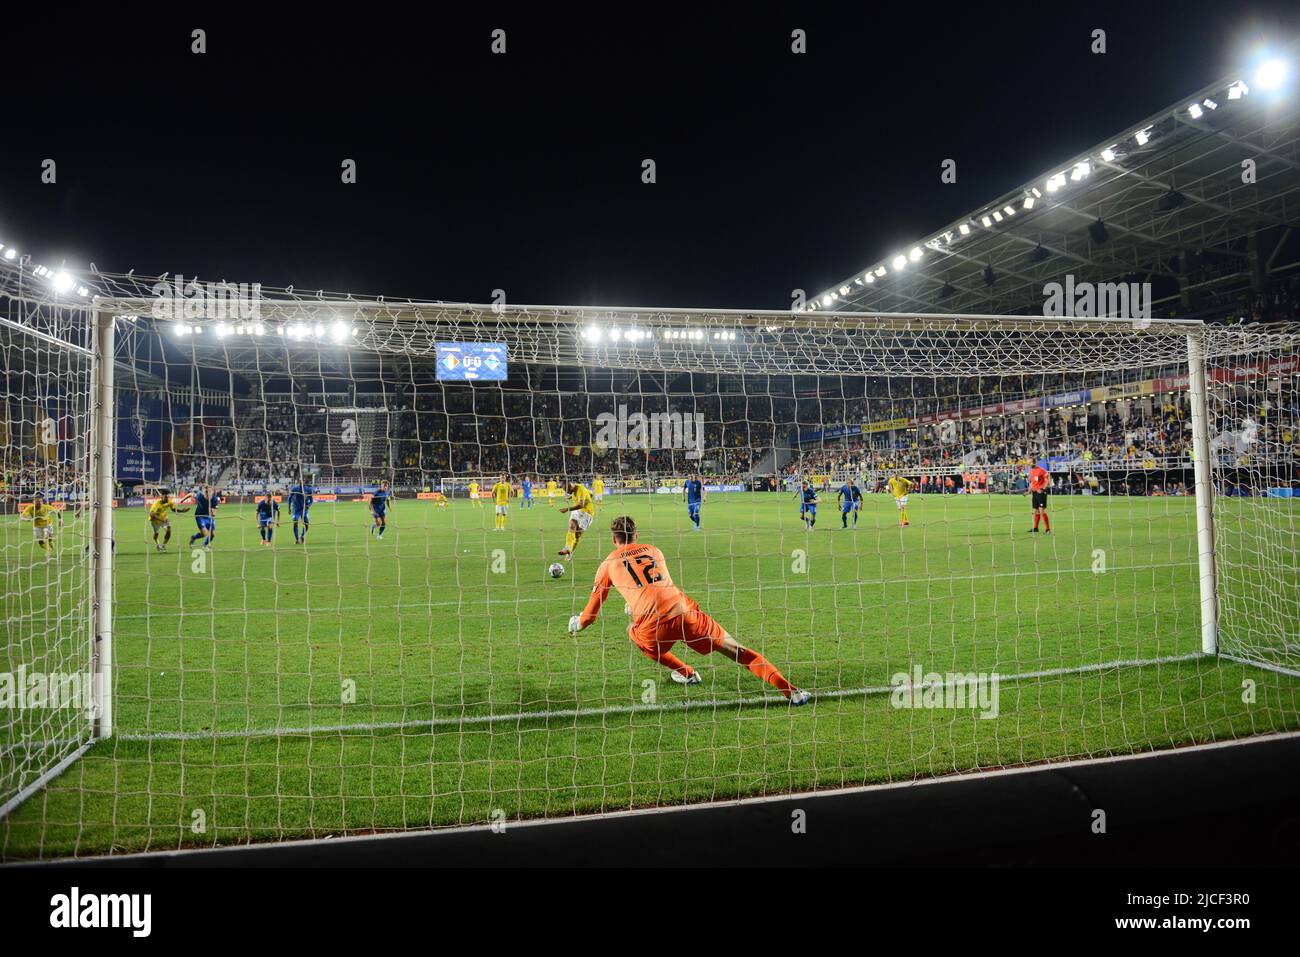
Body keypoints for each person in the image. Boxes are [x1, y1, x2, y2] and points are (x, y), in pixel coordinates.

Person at [568, 515, 809, 704]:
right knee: (738, 650)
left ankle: (687, 672)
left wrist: (577, 624)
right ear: (636, 535)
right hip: (683, 612)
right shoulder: (654, 550)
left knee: (634, 632)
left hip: (652, 626)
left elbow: (589, 617)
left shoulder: (608, 564)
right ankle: (792, 691)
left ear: (614, 539)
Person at [557, 480, 596, 560]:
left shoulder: (580, 489)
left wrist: (567, 509)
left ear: (571, 486)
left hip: (587, 513)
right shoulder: (576, 488)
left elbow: (581, 505)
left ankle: (570, 551)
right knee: (572, 527)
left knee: (577, 535)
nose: (567, 492)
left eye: (568, 491)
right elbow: (591, 494)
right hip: (577, 512)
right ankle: (567, 548)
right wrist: (571, 497)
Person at [1027, 462, 1051, 533]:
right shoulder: (1031, 471)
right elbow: (1032, 483)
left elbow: (1047, 481)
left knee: (1042, 511)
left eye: (1030, 462)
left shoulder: (1042, 470)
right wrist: (1028, 491)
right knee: (1036, 511)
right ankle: (1035, 528)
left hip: (1041, 493)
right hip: (1034, 492)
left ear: (1034, 462)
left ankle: (1048, 529)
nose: (1029, 464)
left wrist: (1043, 489)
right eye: (1028, 463)